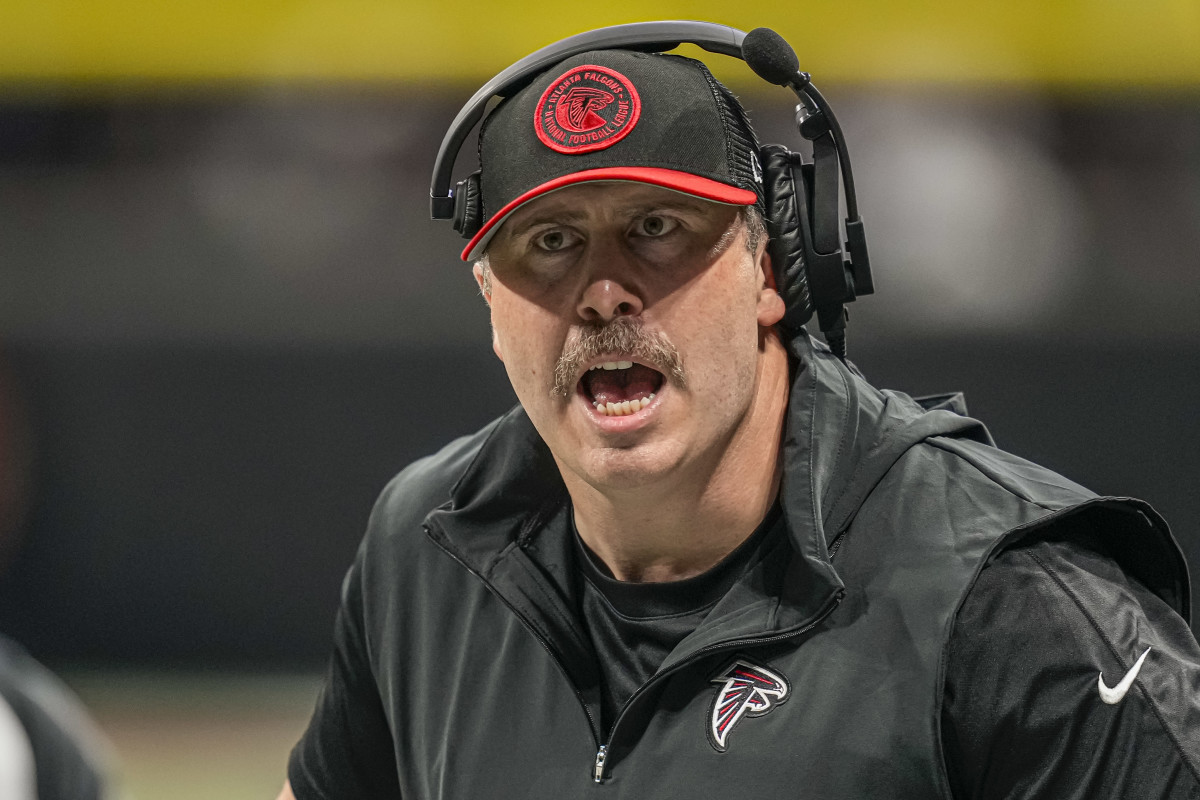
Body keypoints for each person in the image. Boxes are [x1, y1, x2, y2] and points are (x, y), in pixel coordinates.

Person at [282, 24, 1200, 799]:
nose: (603, 293)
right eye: (551, 243)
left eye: (657, 229)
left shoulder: (1012, 606)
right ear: (491, 305)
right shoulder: (427, 548)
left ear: (772, 272)